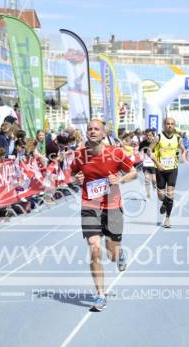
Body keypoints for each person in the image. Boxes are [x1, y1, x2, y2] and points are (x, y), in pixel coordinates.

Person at [70, 119, 137, 311]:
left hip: (112, 206)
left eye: (96, 129)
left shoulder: (115, 153)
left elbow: (133, 172)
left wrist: (120, 179)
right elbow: (72, 174)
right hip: (90, 206)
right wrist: (76, 179)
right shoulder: (80, 155)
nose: (92, 131)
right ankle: (100, 294)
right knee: (94, 248)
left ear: (103, 132)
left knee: (112, 253)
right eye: (89, 129)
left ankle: (120, 252)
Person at [150, 117, 187, 228]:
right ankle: (164, 202)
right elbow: (148, 151)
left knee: (170, 193)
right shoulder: (158, 137)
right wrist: (157, 163)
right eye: (167, 124)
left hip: (172, 169)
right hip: (160, 169)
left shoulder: (178, 138)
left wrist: (183, 154)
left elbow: (183, 149)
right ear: (164, 125)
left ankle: (167, 219)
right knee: (161, 195)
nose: (169, 125)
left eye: (172, 124)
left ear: (174, 125)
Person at [139, 129, 157, 199]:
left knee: (154, 180)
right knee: (147, 179)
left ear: (153, 135)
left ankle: (154, 184)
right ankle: (148, 194)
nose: (148, 136)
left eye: (150, 135)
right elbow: (139, 151)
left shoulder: (155, 143)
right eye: (147, 135)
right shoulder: (142, 143)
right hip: (146, 163)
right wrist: (140, 155)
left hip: (153, 163)